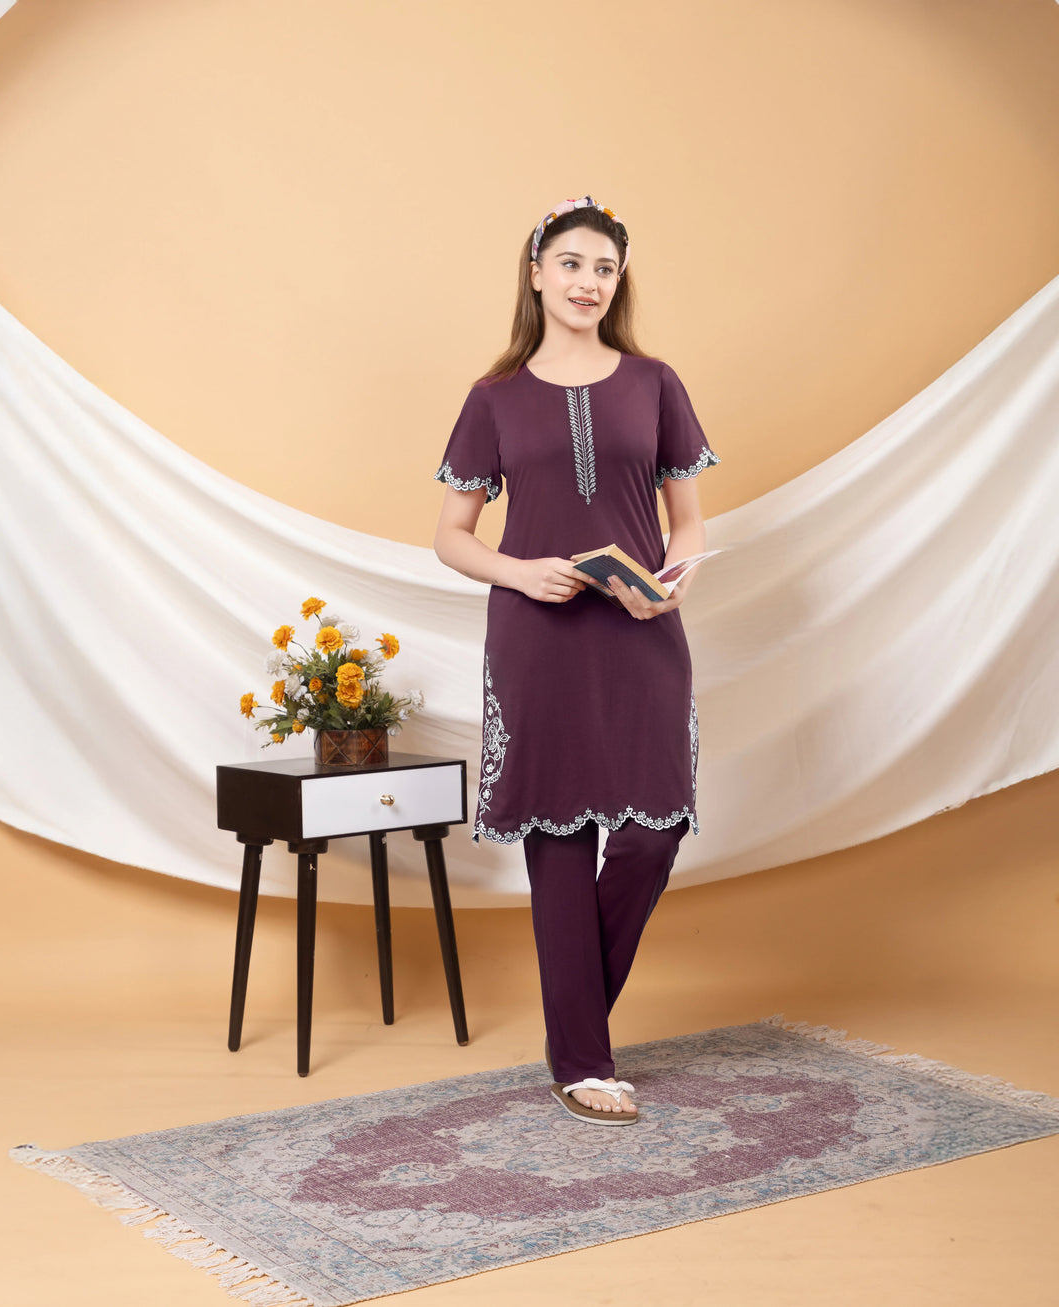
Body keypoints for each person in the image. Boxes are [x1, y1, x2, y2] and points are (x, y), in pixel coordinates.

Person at [432, 195, 720, 1126]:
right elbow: (451, 534)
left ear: (617, 281)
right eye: (571, 264)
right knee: (559, 841)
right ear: (536, 274)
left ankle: (572, 1019)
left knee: (652, 830)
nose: (588, 282)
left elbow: (687, 522)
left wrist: (672, 584)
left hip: (642, 632)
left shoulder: (656, 383)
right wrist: (522, 571)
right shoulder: (495, 397)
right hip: (538, 634)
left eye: (604, 268)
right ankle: (584, 1060)